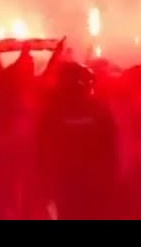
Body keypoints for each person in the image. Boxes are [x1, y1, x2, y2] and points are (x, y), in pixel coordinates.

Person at [38, 62, 118, 219]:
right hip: (77, 180)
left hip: (77, 179)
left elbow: (42, 145)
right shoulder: (96, 108)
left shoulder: (54, 108)